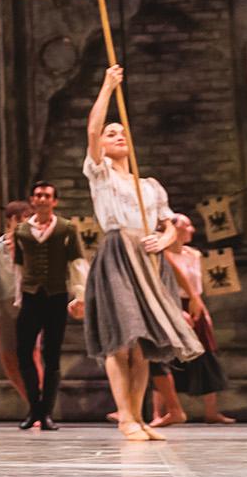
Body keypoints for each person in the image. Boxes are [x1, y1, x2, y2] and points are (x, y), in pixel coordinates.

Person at [82, 65, 202, 442]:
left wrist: (165, 240)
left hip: (148, 259)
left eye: (122, 133)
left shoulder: (149, 185)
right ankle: (126, 418)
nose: (117, 136)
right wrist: (107, 85)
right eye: (111, 133)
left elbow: (170, 224)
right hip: (119, 252)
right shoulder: (101, 174)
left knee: (144, 343)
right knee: (122, 338)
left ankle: (137, 415)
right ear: (101, 145)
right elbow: (91, 129)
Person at [10, 181, 88, 431]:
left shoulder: (66, 228)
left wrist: (80, 295)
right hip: (31, 296)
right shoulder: (21, 230)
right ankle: (34, 408)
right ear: (32, 200)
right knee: (23, 352)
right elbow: (18, 268)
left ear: (54, 201)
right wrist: (18, 297)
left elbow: (77, 262)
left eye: (47, 196)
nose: (42, 199)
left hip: (56, 295)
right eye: (38, 195)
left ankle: (47, 413)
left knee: (51, 354)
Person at [148, 213, 233, 427]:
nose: (192, 229)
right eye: (187, 225)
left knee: (206, 354)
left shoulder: (193, 254)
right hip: (172, 305)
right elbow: (160, 286)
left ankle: (211, 411)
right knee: (164, 357)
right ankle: (158, 413)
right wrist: (177, 311)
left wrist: (203, 311)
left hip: (194, 306)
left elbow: (196, 287)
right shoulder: (162, 255)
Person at [0, 200, 30, 411]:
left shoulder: (34, 247)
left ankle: (41, 405)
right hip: (5, 304)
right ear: (10, 221)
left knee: (31, 353)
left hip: (30, 302)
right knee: (8, 357)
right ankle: (32, 401)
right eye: (21, 220)